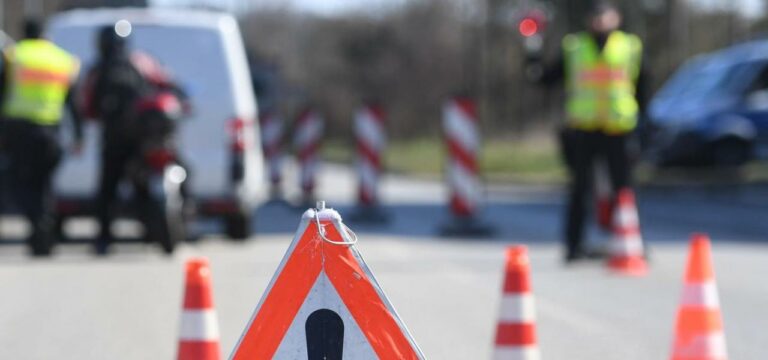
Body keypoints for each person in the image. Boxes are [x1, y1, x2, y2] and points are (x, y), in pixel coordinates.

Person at [527, 2, 648, 263]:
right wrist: (532, 49)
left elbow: (643, 87)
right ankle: (574, 245)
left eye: (605, 16)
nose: (600, 21)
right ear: (588, 20)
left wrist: (644, 125)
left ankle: (632, 243)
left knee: (624, 190)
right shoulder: (574, 47)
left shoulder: (630, 46)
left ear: (617, 18)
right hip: (584, 129)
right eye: (595, 16)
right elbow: (545, 78)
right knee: (579, 189)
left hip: (619, 128)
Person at [81, 24, 180, 255]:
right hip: (141, 140)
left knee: (108, 190)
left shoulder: (97, 70)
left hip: (114, 140)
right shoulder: (141, 62)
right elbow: (167, 84)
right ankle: (150, 234)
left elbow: (88, 107)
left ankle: (104, 239)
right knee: (140, 187)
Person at [0, 19, 82, 256]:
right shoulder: (62, 60)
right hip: (50, 132)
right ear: (46, 35)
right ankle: (43, 230)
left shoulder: (14, 56)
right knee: (44, 185)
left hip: (18, 130)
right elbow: (72, 103)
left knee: (16, 182)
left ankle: (39, 223)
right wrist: (78, 135)